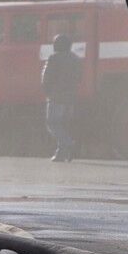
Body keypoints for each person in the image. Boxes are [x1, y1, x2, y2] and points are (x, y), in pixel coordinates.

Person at [41, 33, 82, 162]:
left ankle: (69, 144)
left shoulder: (54, 58)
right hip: (71, 97)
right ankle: (61, 153)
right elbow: (79, 77)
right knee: (64, 125)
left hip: (56, 97)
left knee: (52, 123)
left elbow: (46, 78)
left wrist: (47, 91)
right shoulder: (76, 59)